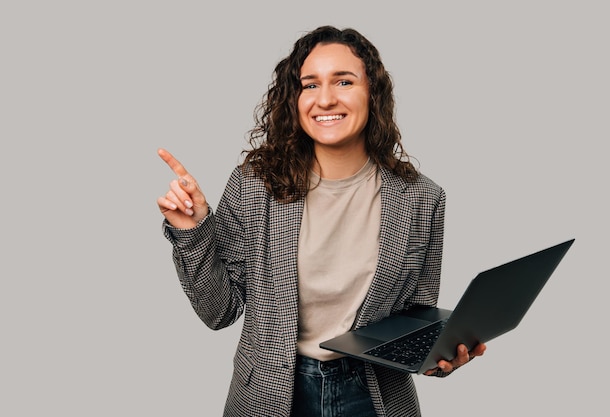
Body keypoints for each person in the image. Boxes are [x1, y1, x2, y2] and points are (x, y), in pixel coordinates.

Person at [157, 25, 486, 417]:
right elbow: (219, 311)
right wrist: (192, 229)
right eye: (309, 85)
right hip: (268, 395)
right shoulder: (255, 183)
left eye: (343, 81)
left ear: (372, 93)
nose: (325, 99)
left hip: (376, 397)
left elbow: (416, 317)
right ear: (294, 99)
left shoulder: (422, 199)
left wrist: (440, 354)